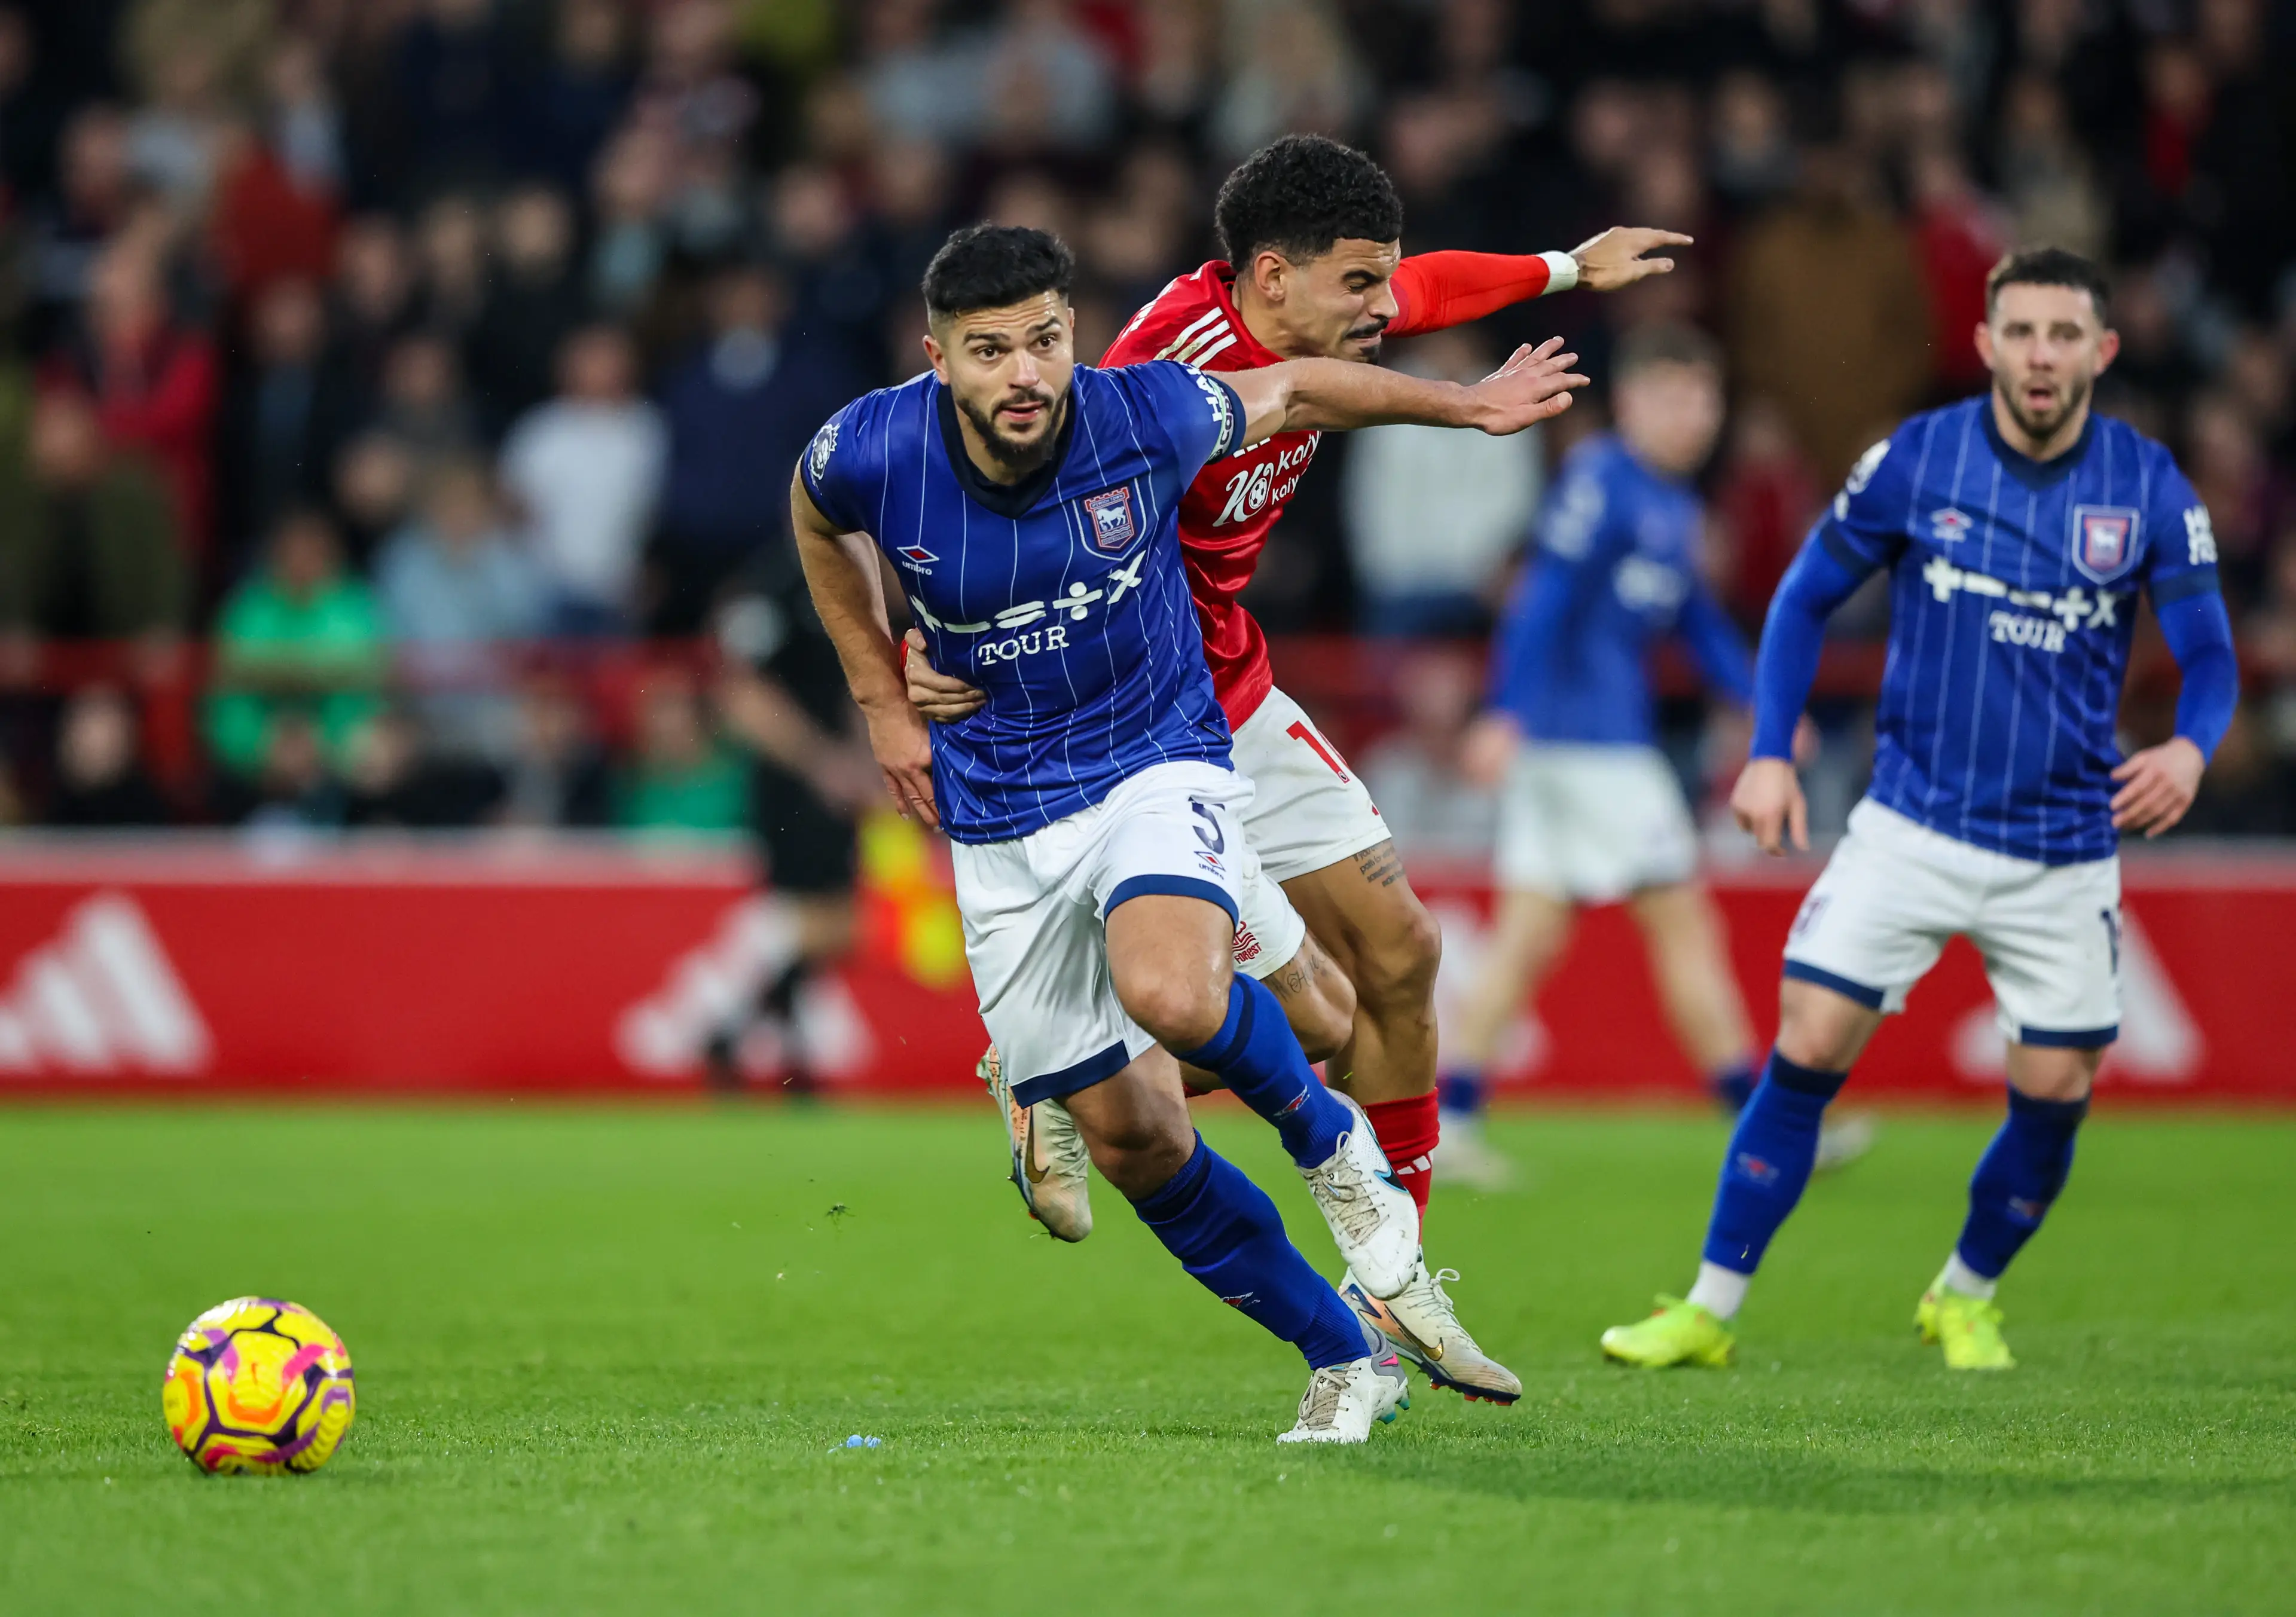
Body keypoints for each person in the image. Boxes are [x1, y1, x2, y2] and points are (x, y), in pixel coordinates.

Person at [904, 134, 1685, 1405]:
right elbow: (1002, 483)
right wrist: (918, 637)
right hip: (1132, 712)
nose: (1386, 308)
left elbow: (1426, 290)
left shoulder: (1327, 310)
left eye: (1380, 284)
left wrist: (1565, 267)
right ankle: (1054, 1058)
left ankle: (1392, 1278)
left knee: (1403, 955)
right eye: (1360, 286)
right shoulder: (1171, 363)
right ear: (1274, 278)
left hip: (1240, 690)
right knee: (1284, 1013)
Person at [795, 222, 1583, 1441]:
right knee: (1137, 1139)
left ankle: (1346, 1171)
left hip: (1157, 757)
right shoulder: (872, 447)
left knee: (1198, 992)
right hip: (1002, 813)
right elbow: (812, 513)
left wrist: (1466, 408)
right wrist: (881, 696)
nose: (1024, 375)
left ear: (1074, 335)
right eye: (990, 350)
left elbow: (1302, 385)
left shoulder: (1145, 411)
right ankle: (1341, 1353)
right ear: (937, 357)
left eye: (1046, 341)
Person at [1599, 249, 2239, 1374]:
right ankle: (1708, 1307)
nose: (2043, 355)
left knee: (2055, 1091)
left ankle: (1966, 1292)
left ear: (2103, 351)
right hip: (1911, 826)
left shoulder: (2149, 489)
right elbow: (1802, 598)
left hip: (2061, 851)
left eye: (2064, 334)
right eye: (2023, 332)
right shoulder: (1918, 460)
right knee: (1808, 1042)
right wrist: (1767, 754)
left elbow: (2210, 653)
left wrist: (2191, 746)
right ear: (1988, 344)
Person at [1439, 324, 1868, 1187]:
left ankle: (1446, 1118)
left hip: (1583, 748)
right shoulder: (1601, 477)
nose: (1692, 415)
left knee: (1528, 939)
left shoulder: (1670, 504)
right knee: (1685, 925)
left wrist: (1761, 704)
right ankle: (1767, 1125)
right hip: (1590, 745)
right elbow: (1544, 592)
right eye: (1672, 396)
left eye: (1703, 398)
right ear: (1630, 402)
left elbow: (1696, 623)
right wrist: (1506, 711)